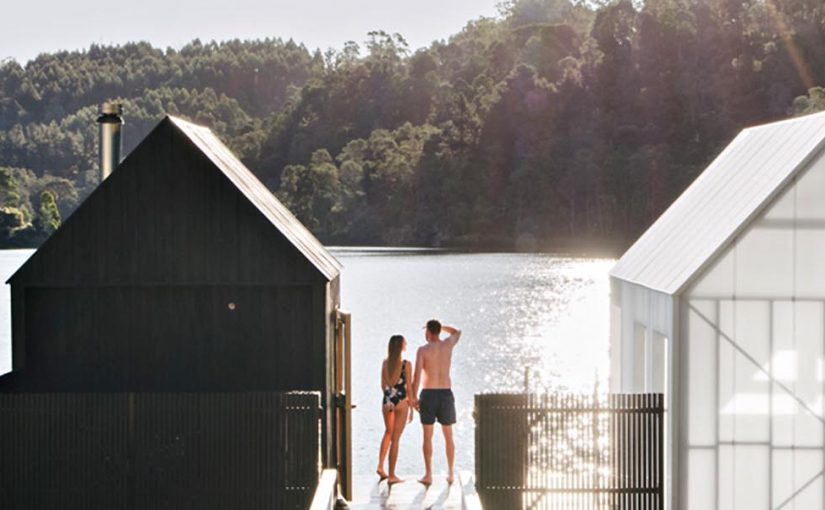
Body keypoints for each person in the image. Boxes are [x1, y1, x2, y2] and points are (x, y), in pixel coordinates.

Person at [412, 320, 462, 486]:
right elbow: (457, 331)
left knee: (428, 436)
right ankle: (450, 473)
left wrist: (412, 397)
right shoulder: (447, 344)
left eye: (426, 331)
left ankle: (428, 474)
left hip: (429, 394)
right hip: (445, 394)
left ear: (429, 332)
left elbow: (416, 376)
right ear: (439, 331)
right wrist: (443, 327)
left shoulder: (423, 350)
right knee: (449, 435)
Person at [377, 334, 414, 485]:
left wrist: (389, 399)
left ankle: (380, 466)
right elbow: (409, 388)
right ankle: (392, 475)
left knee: (388, 432)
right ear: (401, 347)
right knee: (396, 439)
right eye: (405, 343)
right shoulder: (406, 364)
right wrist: (411, 407)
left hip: (387, 401)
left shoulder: (385, 363)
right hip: (401, 403)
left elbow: (382, 385)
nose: (406, 344)